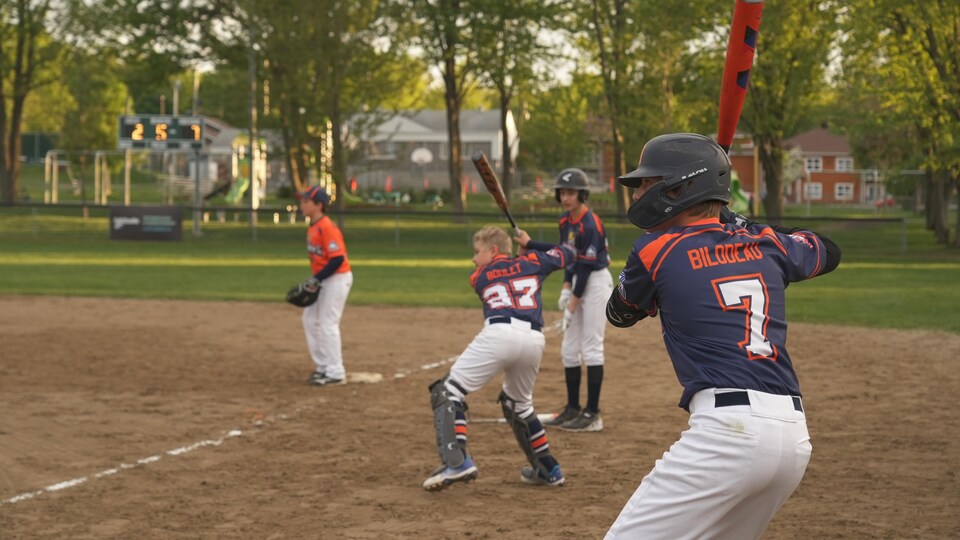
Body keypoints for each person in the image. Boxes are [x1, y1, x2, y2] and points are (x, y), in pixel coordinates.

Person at [604, 133, 842, 539]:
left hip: (727, 435)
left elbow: (619, 314)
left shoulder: (654, 250)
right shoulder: (767, 244)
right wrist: (747, 227)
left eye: (647, 182)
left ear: (677, 188)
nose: (640, 191)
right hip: (792, 439)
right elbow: (827, 249)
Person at [423, 226, 575, 491]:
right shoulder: (533, 262)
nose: (474, 259)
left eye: (477, 252)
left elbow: (504, 274)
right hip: (533, 340)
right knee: (519, 405)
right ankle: (549, 469)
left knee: (446, 392)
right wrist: (531, 245)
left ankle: (457, 463)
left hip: (500, 333)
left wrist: (520, 254)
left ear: (493, 251)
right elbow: (568, 253)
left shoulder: (479, 276)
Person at [543, 168, 614, 432]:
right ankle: (573, 408)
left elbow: (585, 267)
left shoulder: (590, 224)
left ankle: (593, 414)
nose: (565, 197)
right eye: (562, 192)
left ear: (582, 194)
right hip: (577, 280)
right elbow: (568, 256)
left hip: (595, 282)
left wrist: (572, 303)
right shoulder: (565, 221)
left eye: (571, 192)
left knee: (591, 346)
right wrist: (565, 286)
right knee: (569, 349)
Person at [297, 186, 353, 386]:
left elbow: (337, 259)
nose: (302, 205)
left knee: (328, 322)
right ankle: (323, 367)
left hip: (337, 278)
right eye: (302, 201)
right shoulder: (313, 226)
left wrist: (316, 279)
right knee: (310, 319)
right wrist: (317, 279)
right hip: (325, 278)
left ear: (319, 205)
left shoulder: (327, 227)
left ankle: (336, 371)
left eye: (306, 202)